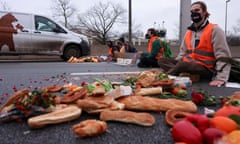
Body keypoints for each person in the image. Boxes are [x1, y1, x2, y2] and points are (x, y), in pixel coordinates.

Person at [158, 1, 232, 87]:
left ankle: (165, 77)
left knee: (183, 65)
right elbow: (182, 53)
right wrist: (176, 63)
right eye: (192, 11)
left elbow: (223, 56)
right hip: (188, 64)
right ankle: (180, 72)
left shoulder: (215, 30)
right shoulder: (189, 32)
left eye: (197, 10)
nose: (194, 13)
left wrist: (221, 78)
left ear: (204, 12)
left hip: (206, 68)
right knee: (162, 60)